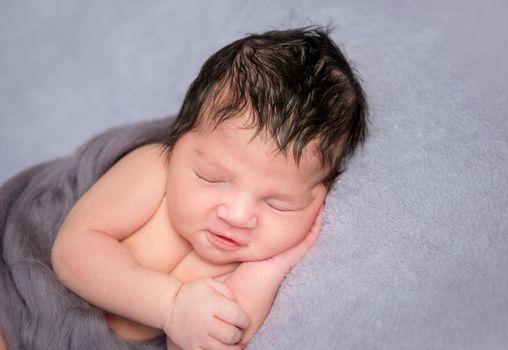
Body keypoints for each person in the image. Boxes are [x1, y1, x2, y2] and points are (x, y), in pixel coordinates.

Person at [51, 26, 367, 349]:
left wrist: (271, 269)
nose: (238, 215)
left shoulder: (253, 260)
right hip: (31, 302)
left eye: (278, 203)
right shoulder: (154, 171)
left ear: (319, 198)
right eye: (211, 178)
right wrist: (169, 305)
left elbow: (212, 340)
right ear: (179, 141)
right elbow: (72, 252)